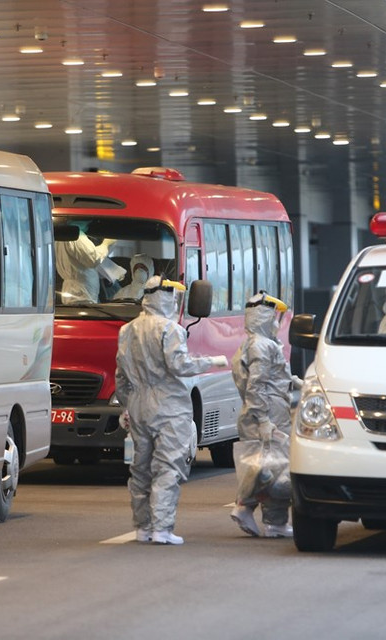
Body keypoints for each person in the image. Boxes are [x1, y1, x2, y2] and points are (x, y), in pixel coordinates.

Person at [115, 276, 229, 545]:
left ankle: (143, 527)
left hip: (139, 405)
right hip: (169, 406)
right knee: (168, 466)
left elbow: (121, 376)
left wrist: (127, 405)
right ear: (167, 297)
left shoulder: (127, 330)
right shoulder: (171, 330)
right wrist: (211, 362)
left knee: (141, 468)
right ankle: (162, 529)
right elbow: (180, 366)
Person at [230, 291, 300, 538]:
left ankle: (274, 522)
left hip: (263, 411)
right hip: (268, 413)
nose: (277, 322)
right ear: (264, 316)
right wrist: (263, 420)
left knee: (269, 467)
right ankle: (245, 506)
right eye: (274, 316)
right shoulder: (262, 345)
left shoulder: (254, 343)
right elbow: (257, 384)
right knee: (275, 470)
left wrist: (293, 381)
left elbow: (268, 377)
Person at [55, 222, 125, 302]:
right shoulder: (77, 236)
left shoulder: (64, 236)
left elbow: (86, 257)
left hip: (76, 291)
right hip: (81, 292)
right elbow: (93, 259)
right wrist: (106, 244)